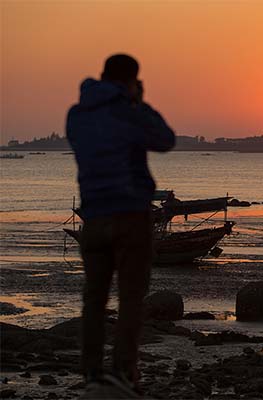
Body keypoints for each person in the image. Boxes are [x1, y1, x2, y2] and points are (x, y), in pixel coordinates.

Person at [66, 54, 175, 396]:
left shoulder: (77, 114)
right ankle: (124, 372)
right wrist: (138, 102)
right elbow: (165, 139)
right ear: (132, 80)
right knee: (130, 298)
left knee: (94, 299)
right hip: (129, 215)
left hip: (94, 216)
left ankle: (92, 373)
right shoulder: (128, 110)